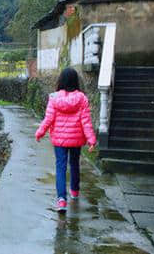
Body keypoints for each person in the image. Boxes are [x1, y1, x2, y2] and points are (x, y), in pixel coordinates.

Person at [35, 67, 96, 213]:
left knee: (60, 167)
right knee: (74, 164)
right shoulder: (82, 99)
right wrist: (91, 140)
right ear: (76, 81)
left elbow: (48, 118)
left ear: (60, 80)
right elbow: (86, 122)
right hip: (76, 140)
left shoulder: (54, 98)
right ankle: (74, 192)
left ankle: (61, 200)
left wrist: (40, 132)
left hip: (59, 141)